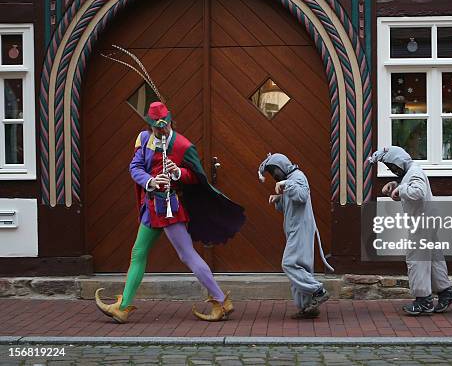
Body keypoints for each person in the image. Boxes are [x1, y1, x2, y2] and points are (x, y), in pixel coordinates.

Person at [95, 102, 245, 323]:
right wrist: (151, 181)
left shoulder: (183, 145)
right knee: (138, 253)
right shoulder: (144, 139)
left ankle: (222, 301)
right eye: (156, 129)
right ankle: (124, 306)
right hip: (151, 206)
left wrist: (178, 173)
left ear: (170, 123)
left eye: (163, 128)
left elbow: (197, 176)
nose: (161, 132)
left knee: (187, 255)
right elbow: (135, 167)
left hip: (169, 208)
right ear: (150, 126)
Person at [369, 146, 452, 315]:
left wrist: (400, 189)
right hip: (428, 220)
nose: (392, 170)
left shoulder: (414, 173)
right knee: (432, 258)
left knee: (416, 258)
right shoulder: (411, 172)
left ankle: (423, 301)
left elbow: (417, 192)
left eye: (393, 167)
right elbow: (410, 190)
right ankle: (446, 292)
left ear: (400, 161)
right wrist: (396, 186)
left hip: (422, 222)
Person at [258, 153, 334, 319]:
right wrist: (280, 198)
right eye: (272, 173)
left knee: (289, 263)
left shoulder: (297, 177)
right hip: (296, 228)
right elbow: (293, 202)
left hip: (300, 229)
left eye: (275, 171)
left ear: (282, 166)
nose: (274, 176)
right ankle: (307, 307)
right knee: (301, 266)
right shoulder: (293, 177)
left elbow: (301, 196)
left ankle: (318, 291)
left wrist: (286, 184)